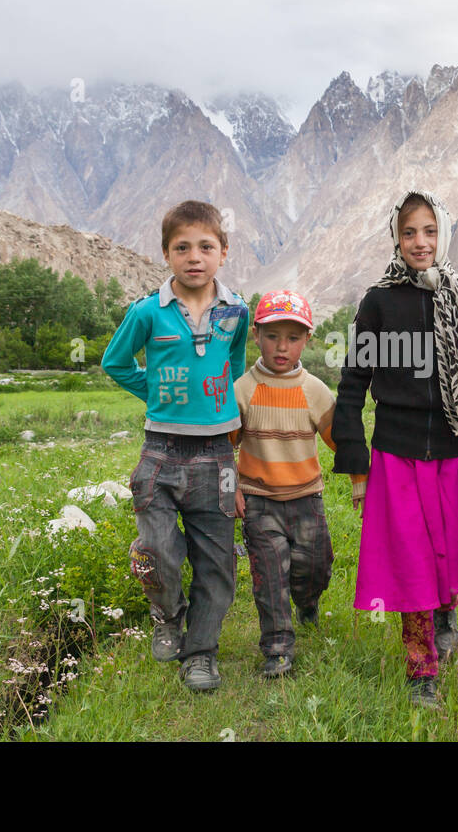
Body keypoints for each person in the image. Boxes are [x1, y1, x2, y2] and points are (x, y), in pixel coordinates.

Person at [331, 190, 458, 709]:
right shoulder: (379, 301)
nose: (420, 242)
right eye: (409, 233)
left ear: (443, 234)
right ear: (396, 238)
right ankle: (420, 670)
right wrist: (357, 466)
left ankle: (445, 612)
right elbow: (353, 383)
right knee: (409, 560)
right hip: (395, 453)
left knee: (447, 548)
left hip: (453, 450)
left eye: (429, 231)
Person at [101, 199, 249, 693]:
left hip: (219, 456)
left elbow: (233, 364)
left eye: (205, 246)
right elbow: (116, 363)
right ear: (165, 254)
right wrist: (159, 392)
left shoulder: (237, 310)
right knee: (159, 549)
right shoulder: (147, 311)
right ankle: (167, 614)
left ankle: (201, 652)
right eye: (181, 247)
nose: (194, 257)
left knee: (219, 560)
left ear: (222, 252)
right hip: (160, 449)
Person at [232, 289, 354, 678]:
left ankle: (308, 602)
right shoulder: (242, 390)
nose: (281, 347)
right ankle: (278, 649)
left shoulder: (314, 390)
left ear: (307, 340)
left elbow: (341, 441)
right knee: (269, 577)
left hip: (307, 500)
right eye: (272, 336)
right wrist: (230, 487)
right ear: (256, 336)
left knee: (314, 568)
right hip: (258, 500)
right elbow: (224, 448)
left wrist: (362, 478)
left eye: (293, 338)